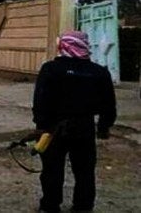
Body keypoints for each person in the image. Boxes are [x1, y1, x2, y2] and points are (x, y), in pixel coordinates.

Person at [32, 30, 116, 213]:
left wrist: (40, 125)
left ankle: (50, 206)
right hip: (84, 129)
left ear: (63, 45)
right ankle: (83, 207)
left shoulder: (50, 69)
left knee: (52, 170)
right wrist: (104, 127)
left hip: (52, 129)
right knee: (85, 171)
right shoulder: (99, 72)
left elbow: (40, 100)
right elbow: (108, 104)